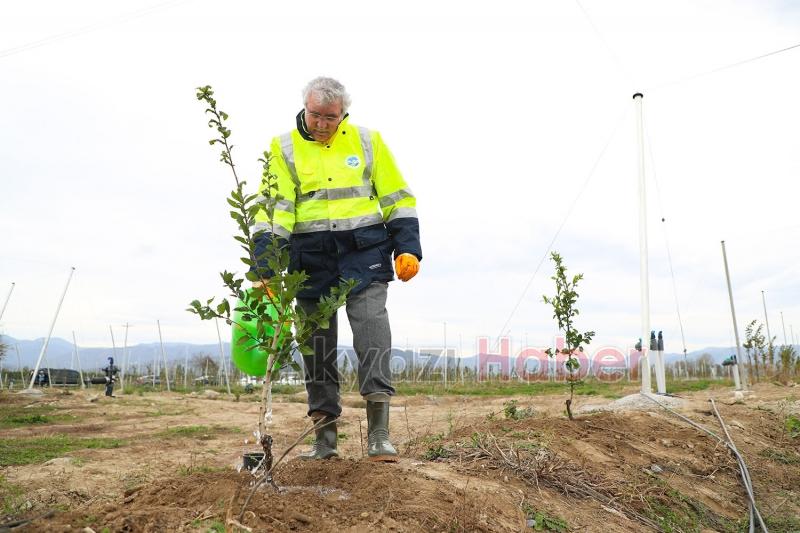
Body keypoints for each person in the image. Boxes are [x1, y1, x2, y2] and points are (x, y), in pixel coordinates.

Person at [252, 77, 422, 462]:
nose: (323, 124)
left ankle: (379, 436)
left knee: (372, 334)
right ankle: (324, 440)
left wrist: (407, 248)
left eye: (331, 117)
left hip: (365, 253)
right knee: (317, 347)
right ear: (304, 108)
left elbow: (397, 196)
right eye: (316, 115)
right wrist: (266, 269)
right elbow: (273, 211)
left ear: (343, 112)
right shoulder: (282, 148)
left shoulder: (366, 141)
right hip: (310, 259)